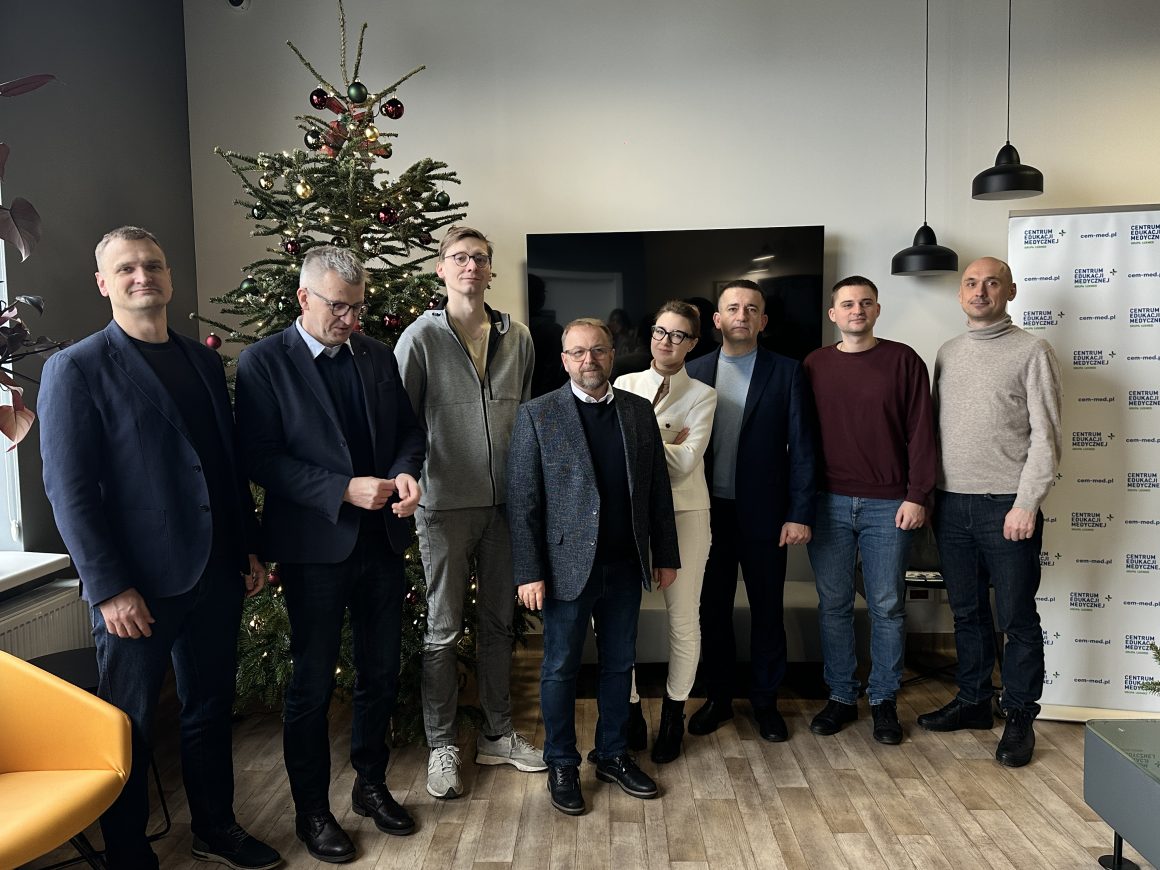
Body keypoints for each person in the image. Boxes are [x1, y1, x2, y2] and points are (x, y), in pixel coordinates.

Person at [38, 226, 281, 870]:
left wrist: (247, 547)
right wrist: (109, 588)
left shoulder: (201, 360)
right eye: (126, 269)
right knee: (131, 724)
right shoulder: (76, 367)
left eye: (153, 265)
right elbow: (69, 492)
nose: (142, 276)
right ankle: (126, 850)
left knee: (209, 711)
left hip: (216, 572)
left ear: (169, 277)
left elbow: (223, 467)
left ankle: (215, 828)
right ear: (104, 284)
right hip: (135, 588)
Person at [235, 246, 426, 863]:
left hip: (382, 541)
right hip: (314, 549)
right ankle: (312, 812)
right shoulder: (265, 362)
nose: (350, 319)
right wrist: (342, 489)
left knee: (380, 672)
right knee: (312, 685)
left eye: (358, 307)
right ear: (303, 298)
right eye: (338, 307)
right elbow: (260, 458)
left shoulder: (374, 354)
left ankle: (370, 786)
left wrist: (405, 473)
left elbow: (409, 432)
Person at [394, 226, 545, 800]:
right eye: (459, 258)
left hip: (507, 506)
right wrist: (412, 480)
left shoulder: (518, 337)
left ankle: (498, 734)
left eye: (479, 258)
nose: (470, 267)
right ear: (441, 268)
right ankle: (441, 745)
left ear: (490, 269)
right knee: (443, 628)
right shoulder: (420, 337)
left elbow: (527, 418)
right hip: (444, 507)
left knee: (500, 625)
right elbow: (402, 422)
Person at [508, 318, 679, 816]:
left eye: (598, 350)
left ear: (612, 354)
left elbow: (656, 491)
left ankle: (612, 755)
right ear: (564, 360)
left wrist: (666, 554)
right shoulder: (538, 415)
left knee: (620, 665)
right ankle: (562, 762)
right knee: (560, 667)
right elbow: (523, 502)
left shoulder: (637, 411)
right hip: (564, 569)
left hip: (625, 564)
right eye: (578, 352)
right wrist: (528, 571)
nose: (589, 360)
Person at [917, 257, 1062, 768]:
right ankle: (974, 701)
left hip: (1006, 505)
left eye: (992, 283)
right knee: (967, 612)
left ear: (1010, 291)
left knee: (1017, 618)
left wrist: (1027, 503)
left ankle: (1019, 715)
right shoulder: (948, 352)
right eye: (971, 283)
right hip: (951, 504)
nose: (981, 291)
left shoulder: (1033, 350)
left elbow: (1046, 436)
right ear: (960, 294)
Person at [803, 276, 936, 745]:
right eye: (847, 304)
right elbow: (800, 436)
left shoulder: (904, 360)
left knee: (887, 606)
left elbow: (922, 432)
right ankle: (841, 696)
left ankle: (883, 700)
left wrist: (918, 495)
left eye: (865, 302)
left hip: (890, 504)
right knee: (834, 606)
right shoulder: (814, 365)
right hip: (827, 503)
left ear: (877, 309)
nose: (856, 310)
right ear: (833, 314)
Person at [685, 280, 816, 742]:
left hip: (766, 513)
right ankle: (718, 698)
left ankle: (765, 702)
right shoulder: (692, 371)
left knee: (767, 610)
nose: (741, 315)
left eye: (751, 309)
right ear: (716, 320)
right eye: (733, 308)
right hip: (706, 513)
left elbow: (803, 449)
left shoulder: (788, 372)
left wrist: (799, 512)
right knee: (712, 609)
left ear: (763, 320)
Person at [613, 300, 717, 763]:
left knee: (684, 618)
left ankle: (674, 713)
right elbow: (615, 453)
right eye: (660, 331)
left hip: (686, 512)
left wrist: (640, 438)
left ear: (692, 343)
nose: (666, 341)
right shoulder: (623, 384)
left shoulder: (704, 395)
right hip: (630, 515)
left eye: (678, 335)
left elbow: (685, 464)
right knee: (619, 618)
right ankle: (632, 708)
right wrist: (666, 439)